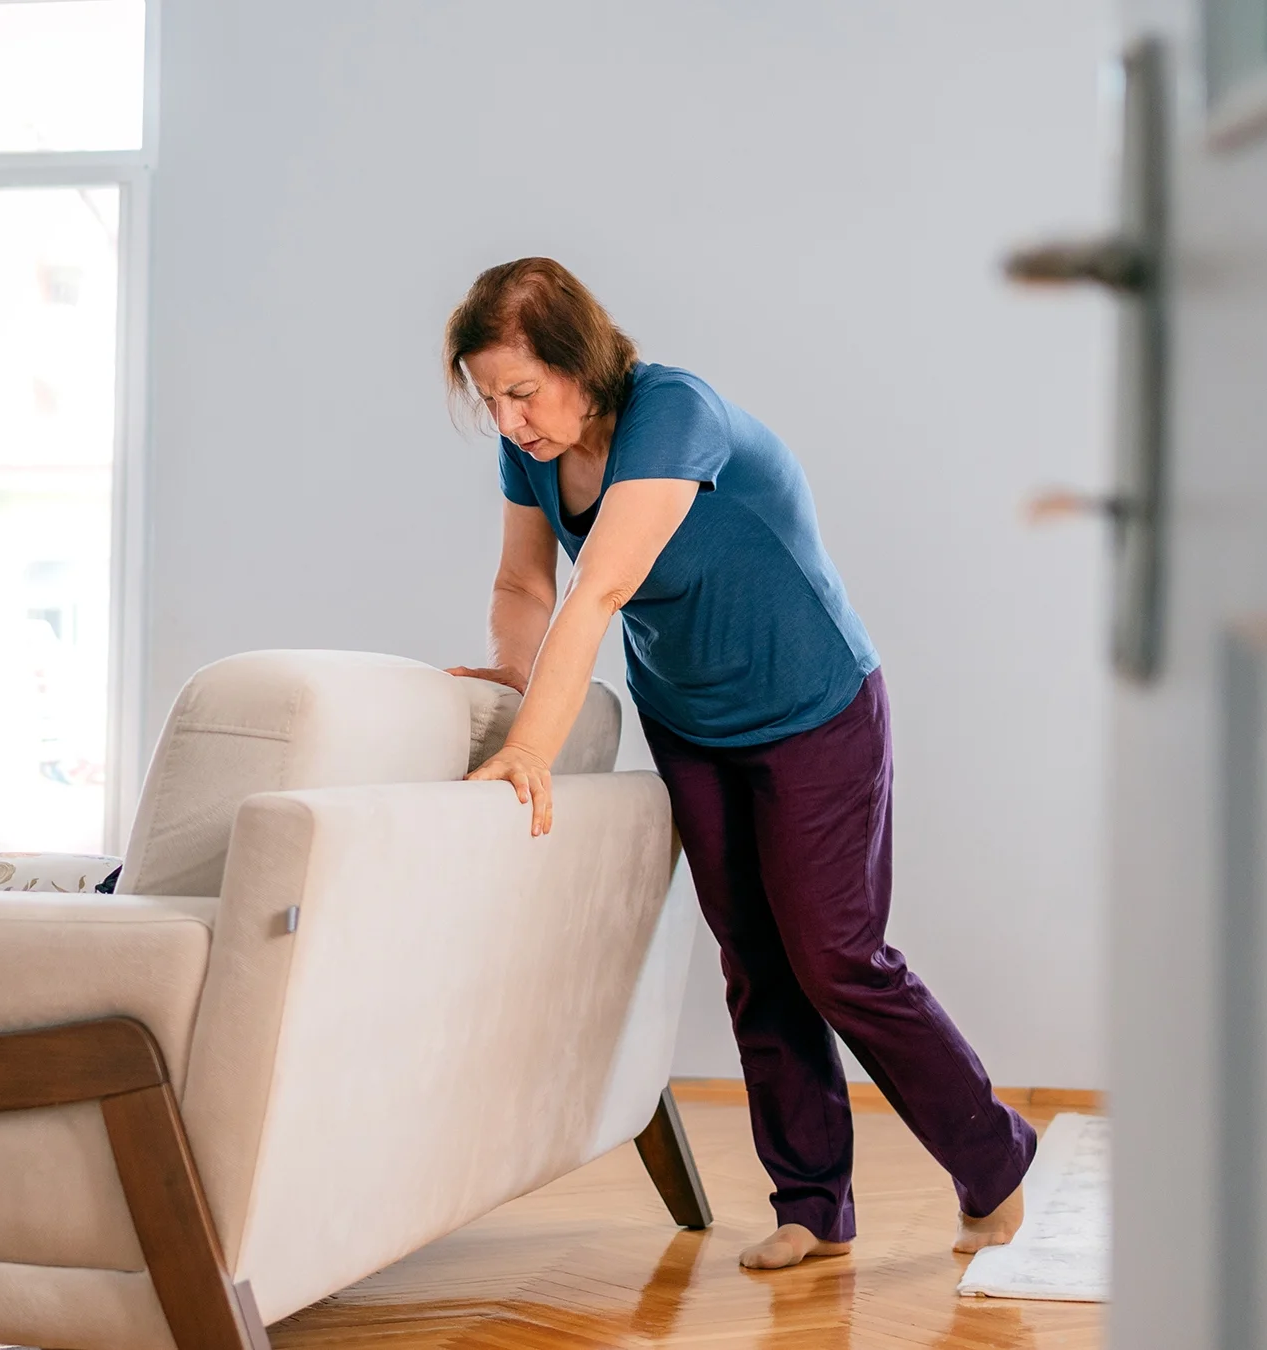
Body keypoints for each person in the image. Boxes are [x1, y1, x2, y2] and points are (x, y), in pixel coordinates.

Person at [442, 258, 1035, 1270]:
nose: (508, 419)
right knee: (756, 966)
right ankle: (811, 1204)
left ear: (580, 364)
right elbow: (523, 582)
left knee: (836, 957)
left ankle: (995, 1157)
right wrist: (507, 682)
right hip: (694, 724)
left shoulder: (675, 414)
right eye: (489, 397)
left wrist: (527, 750)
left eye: (522, 391)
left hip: (816, 708)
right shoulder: (532, 456)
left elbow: (599, 592)